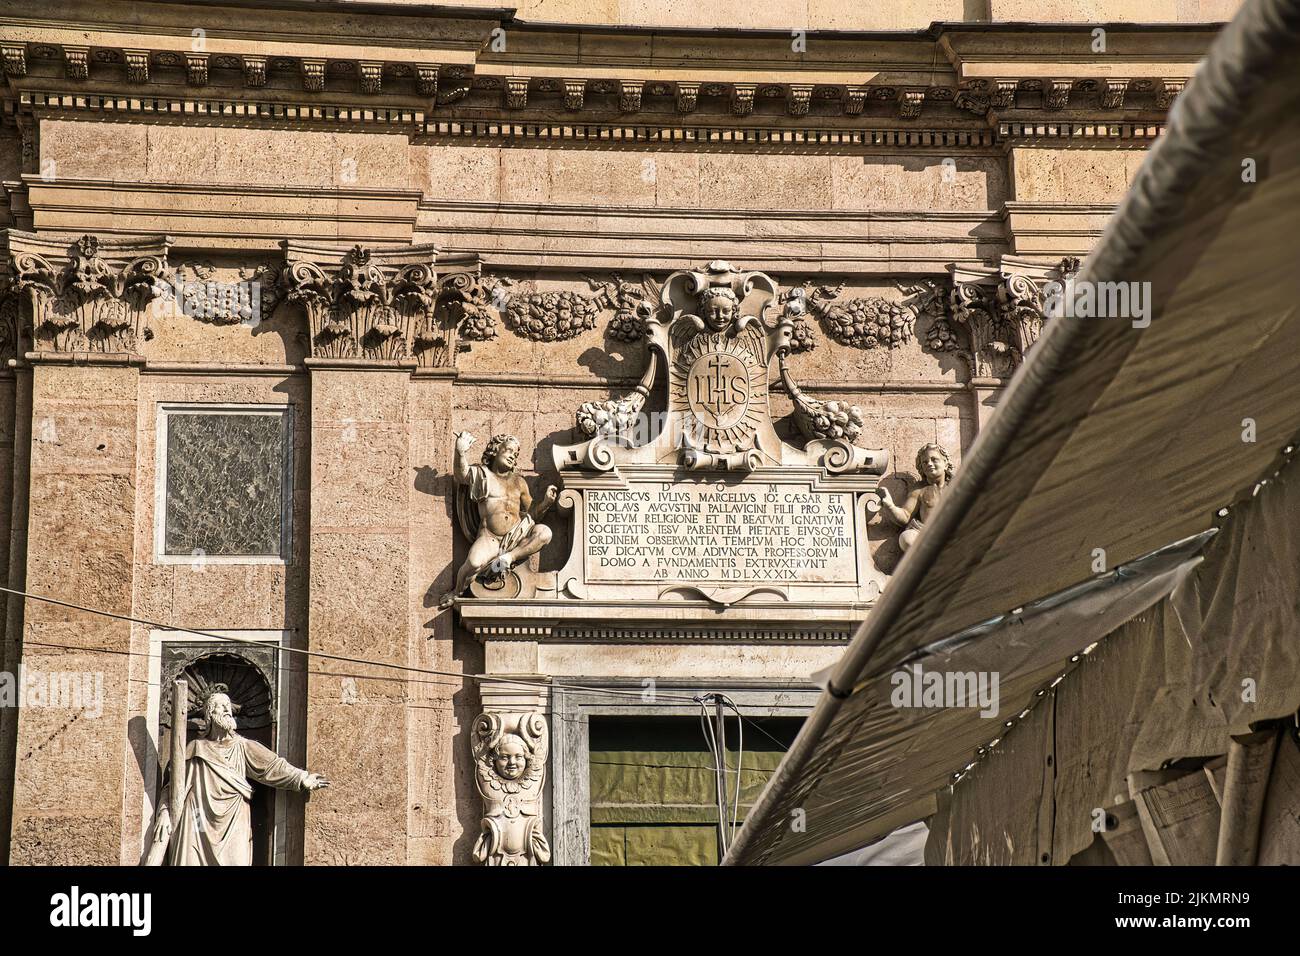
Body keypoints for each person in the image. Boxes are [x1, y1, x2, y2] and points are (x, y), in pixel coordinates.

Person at [150, 688, 328, 866]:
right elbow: (173, 787)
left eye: (228, 706)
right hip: (198, 820)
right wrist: (165, 813)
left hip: (234, 820)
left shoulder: (242, 747)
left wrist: (302, 778)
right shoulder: (195, 748)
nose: (227, 710)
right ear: (210, 715)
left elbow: (273, 766)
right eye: (220, 706)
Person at [441, 432, 557, 606]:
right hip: (490, 538)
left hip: (517, 534)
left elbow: (532, 514)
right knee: (473, 563)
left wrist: (546, 502)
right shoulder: (483, 475)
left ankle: (509, 557)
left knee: (545, 533)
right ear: (495, 450)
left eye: (516, 454)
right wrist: (461, 452)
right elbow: (462, 475)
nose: (513, 456)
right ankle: (457, 592)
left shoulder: (519, 482)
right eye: (509, 450)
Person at [877, 443, 954, 552]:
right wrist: (890, 506)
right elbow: (905, 515)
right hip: (926, 535)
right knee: (907, 538)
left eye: (934, 459)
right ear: (921, 467)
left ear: (945, 463)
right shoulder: (919, 489)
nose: (929, 464)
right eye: (925, 462)